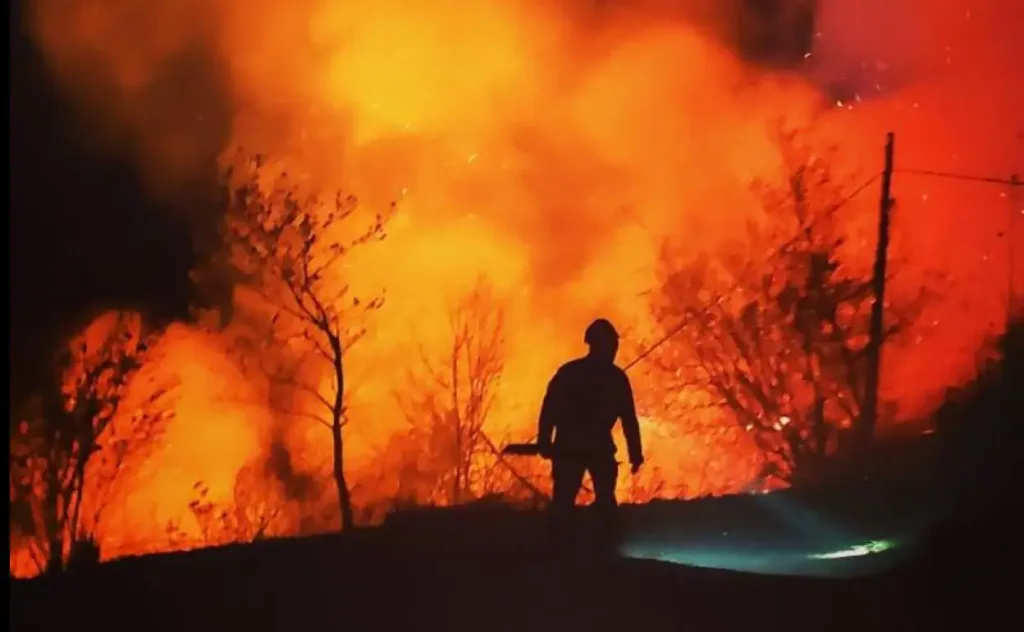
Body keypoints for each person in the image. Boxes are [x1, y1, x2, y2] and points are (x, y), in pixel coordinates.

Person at [537, 318, 644, 525]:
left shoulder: (571, 372)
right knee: (579, 501)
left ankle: (567, 542)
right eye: (611, 345)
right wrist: (635, 454)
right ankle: (590, 542)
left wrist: (545, 440)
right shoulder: (614, 378)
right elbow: (628, 420)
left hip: (576, 446)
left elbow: (549, 409)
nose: (613, 350)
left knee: (570, 501)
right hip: (587, 446)